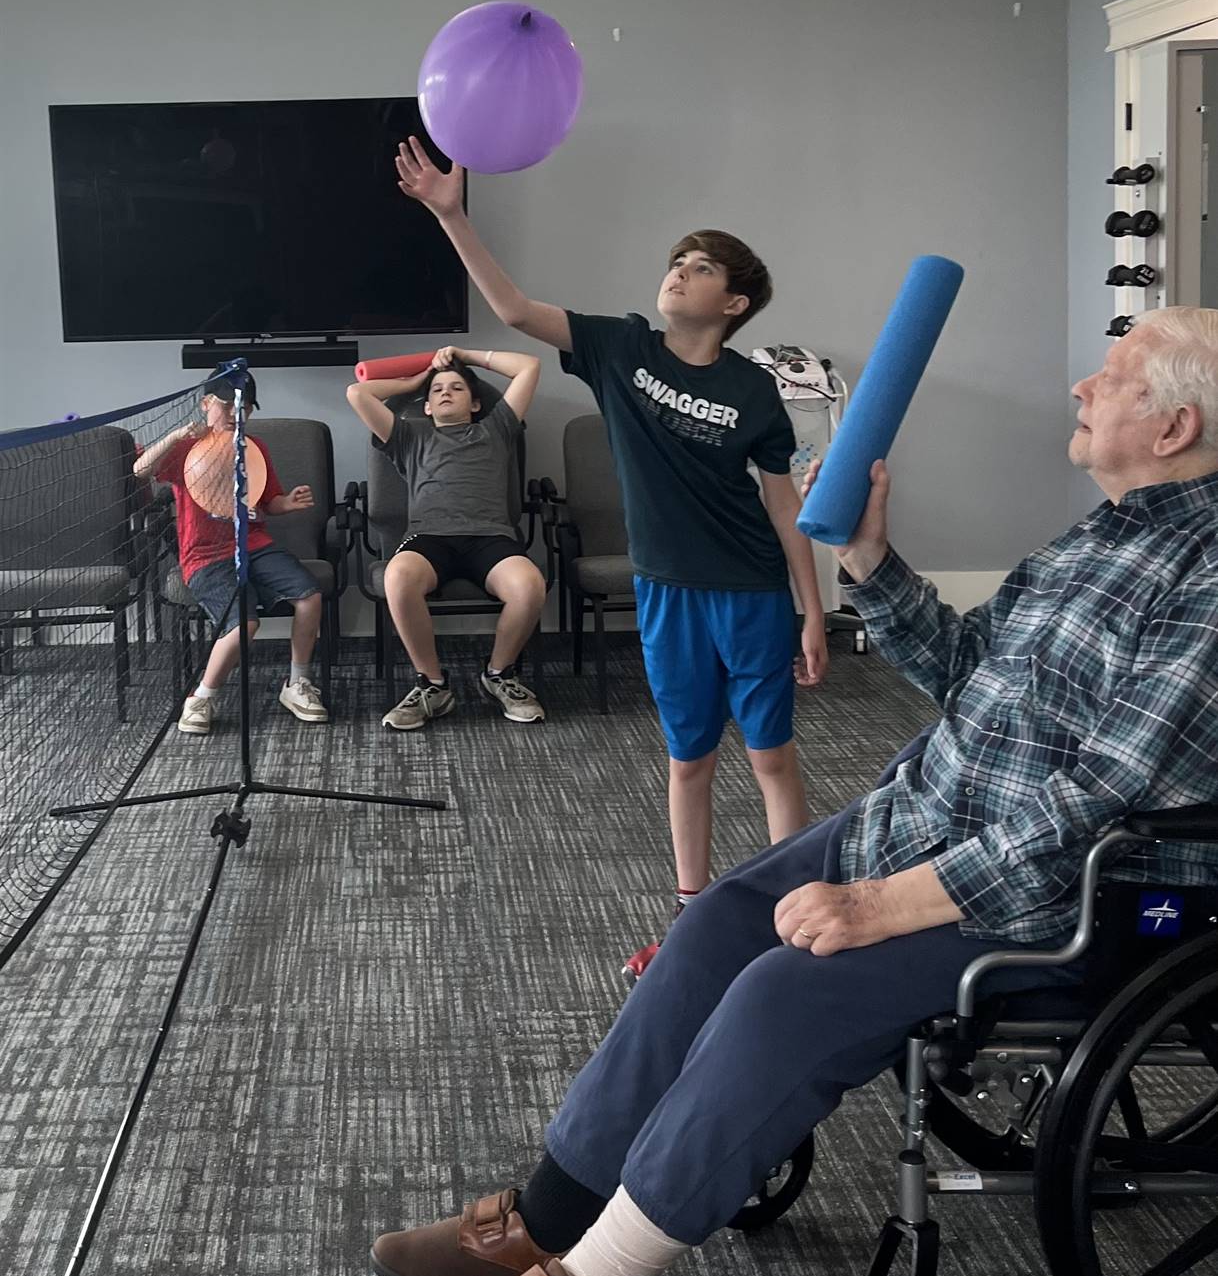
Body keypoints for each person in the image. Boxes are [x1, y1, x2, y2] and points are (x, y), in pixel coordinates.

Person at [370, 308, 1218, 1276]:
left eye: (1109, 377)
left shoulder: (1203, 576)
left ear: (1175, 427)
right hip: (934, 819)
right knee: (720, 920)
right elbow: (968, 669)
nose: (1079, 390)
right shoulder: (1098, 538)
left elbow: (1100, 801)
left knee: (787, 990)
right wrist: (868, 553)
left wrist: (889, 904)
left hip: (1064, 896)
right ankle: (550, 1210)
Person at [394, 139, 828, 943]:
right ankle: (691, 909)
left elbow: (781, 506)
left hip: (751, 589)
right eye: (678, 259)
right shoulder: (619, 347)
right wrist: (450, 214)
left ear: (734, 303)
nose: (679, 270)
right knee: (688, 759)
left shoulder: (752, 389)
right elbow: (517, 310)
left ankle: (797, 908)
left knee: (771, 756)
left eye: (701, 267)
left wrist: (812, 609)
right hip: (666, 591)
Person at [346, 343, 546, 729]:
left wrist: (466, 357)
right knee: (397, 577)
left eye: (456, 388)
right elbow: (358, 392)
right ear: (426, 406)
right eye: (437, 391)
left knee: (529, 585)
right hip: (429, 538)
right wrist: (418, 378)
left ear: (474, 404)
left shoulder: (498, 427)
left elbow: (529, 366)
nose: (445, 393)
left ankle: (499, 674)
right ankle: (433, 686)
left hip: (491, 538)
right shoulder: (407, 437)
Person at [134, 371, 328, 735]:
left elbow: (268, 502)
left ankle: (297, 684)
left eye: (245, 406)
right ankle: (202, 698)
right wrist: (176, 435)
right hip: (206, 556)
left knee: (309, 596)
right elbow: (140, 469)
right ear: (206, 404)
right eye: (226, 404)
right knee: (245, 624)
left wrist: (288, 503)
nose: (235, 412)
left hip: (256, 546)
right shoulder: (186, 449)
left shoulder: (255, 449)